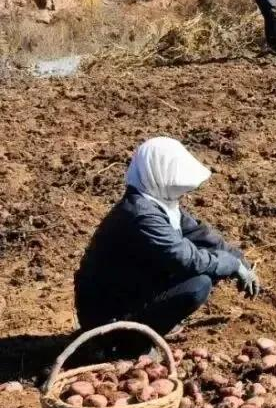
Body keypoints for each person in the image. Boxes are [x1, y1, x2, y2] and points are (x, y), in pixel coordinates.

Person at [74, 138, 259, 339]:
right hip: (106, 316)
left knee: (208, 265)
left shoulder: (157, 203)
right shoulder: (141, 215)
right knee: (198, 285)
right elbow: (188, 260)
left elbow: (199, 235)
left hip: (130, 293)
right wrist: (232, 265)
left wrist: (241, 261)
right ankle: (127, 343)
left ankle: (142, 326)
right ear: (158, 174)